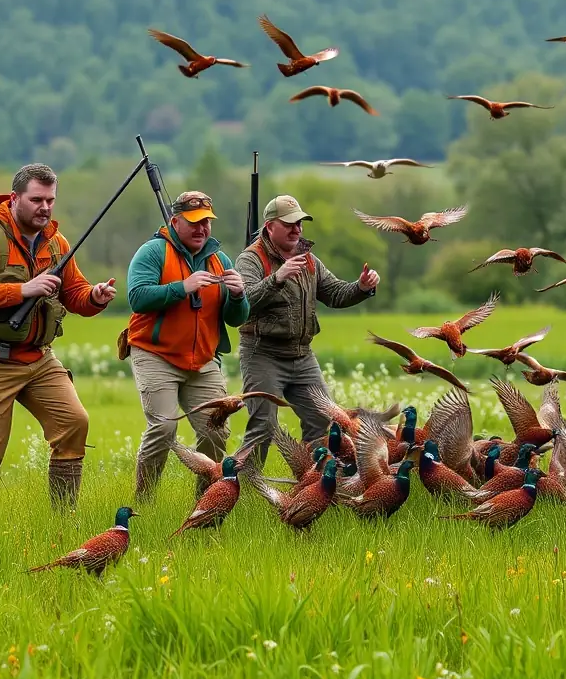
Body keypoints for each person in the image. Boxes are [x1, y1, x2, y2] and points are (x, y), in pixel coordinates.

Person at [0, 163, 117, 513]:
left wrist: (96, 297)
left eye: (50, 200)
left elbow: (75, 294)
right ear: (15, 198)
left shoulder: (56, 243)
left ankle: (62, 520)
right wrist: (23, 289)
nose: (45, 207)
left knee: (74, 424)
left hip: (39, 357)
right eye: (37, 199)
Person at [234, 194, 380, 467]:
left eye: (300, 223)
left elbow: (336, 294)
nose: (297, 229)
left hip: (302, 355)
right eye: (289, 223)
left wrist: (362, 287)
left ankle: (313, 485)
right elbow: (243, 302)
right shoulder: (251, 260)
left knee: (323, 422)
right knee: (263, 427)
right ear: (269, 227)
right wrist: (276, 279)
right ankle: (242, 487)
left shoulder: (309, 260)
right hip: (263, 354)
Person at [123, 191, 250, 500]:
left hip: (203, 359)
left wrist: (238, 296)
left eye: (206, 221)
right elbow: (137, 297)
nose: (201, 228)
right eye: (194, 222)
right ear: (175, 221)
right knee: (164, 428)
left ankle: (205, 502)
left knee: (215, 431)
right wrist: (183, 287)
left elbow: (236, 319)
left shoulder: (220, 260)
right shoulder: (153, 252)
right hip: (156, 354)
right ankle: (145, 501)